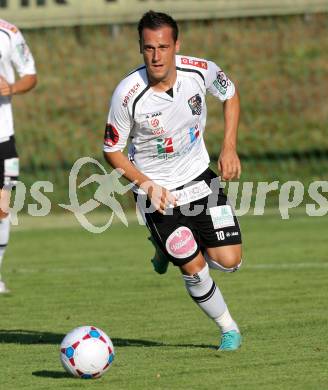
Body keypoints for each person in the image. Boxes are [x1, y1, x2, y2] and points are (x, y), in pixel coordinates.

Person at [103, 10, 243, 350]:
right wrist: (146, 184)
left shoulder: (201, 71)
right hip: (157, 191)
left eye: (163, 47)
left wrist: (228, 147)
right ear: (140, 48)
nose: (156, 56)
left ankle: (165, 250)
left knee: (230, 261)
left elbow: (230, 95)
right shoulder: (128, 94)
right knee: (192, 264)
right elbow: (112, 150)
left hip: (200, 179)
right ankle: (229, 329)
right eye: (149, 48)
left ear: (176, 45)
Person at [0, 19, 37, 293]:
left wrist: (10, 88)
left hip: (3, 137)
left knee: (2, 207)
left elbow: (30, 75)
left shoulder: (9, 33)